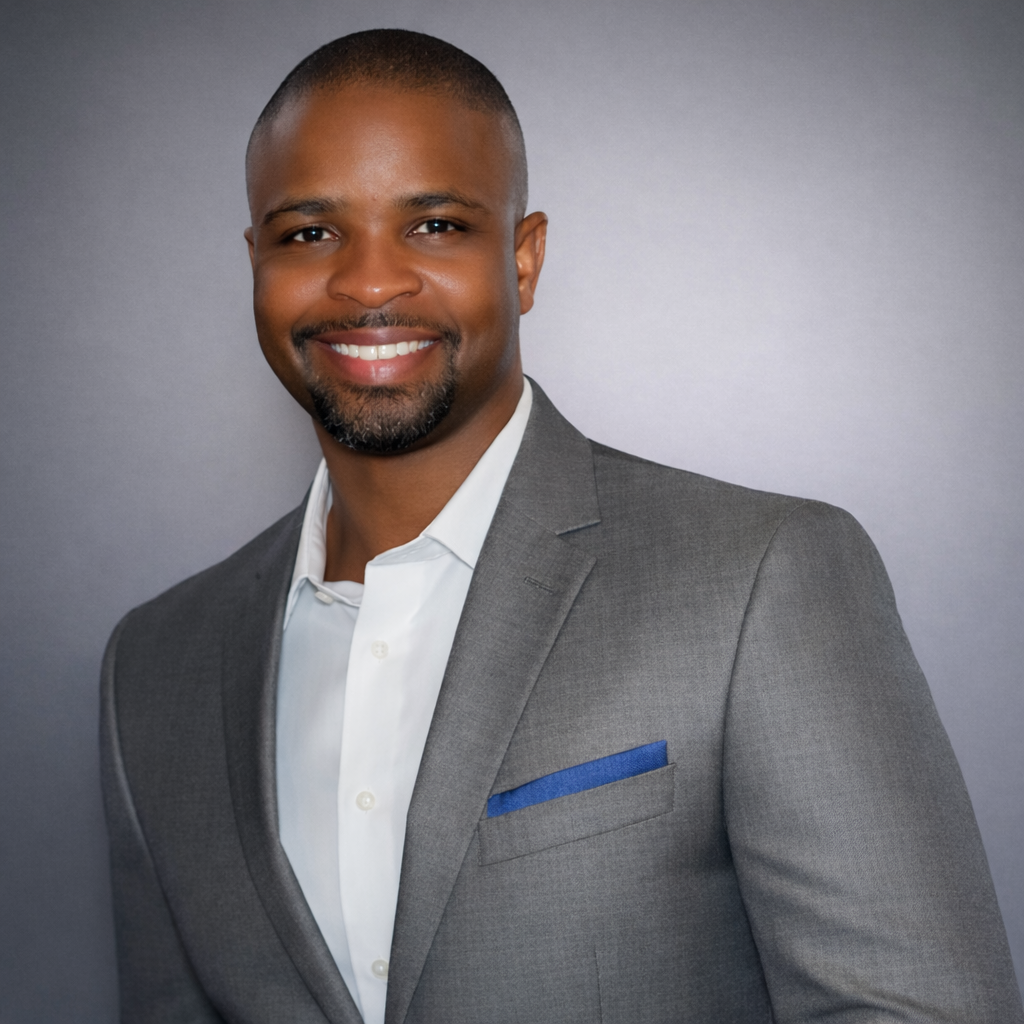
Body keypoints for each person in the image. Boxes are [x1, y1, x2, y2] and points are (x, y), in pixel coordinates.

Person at [100, 28, 1023, 1024]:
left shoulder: (760, 576)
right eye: (310, 233)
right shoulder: (154, 669)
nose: (368, 282)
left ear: (524, 257)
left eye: (436, 225)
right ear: (256, 261)